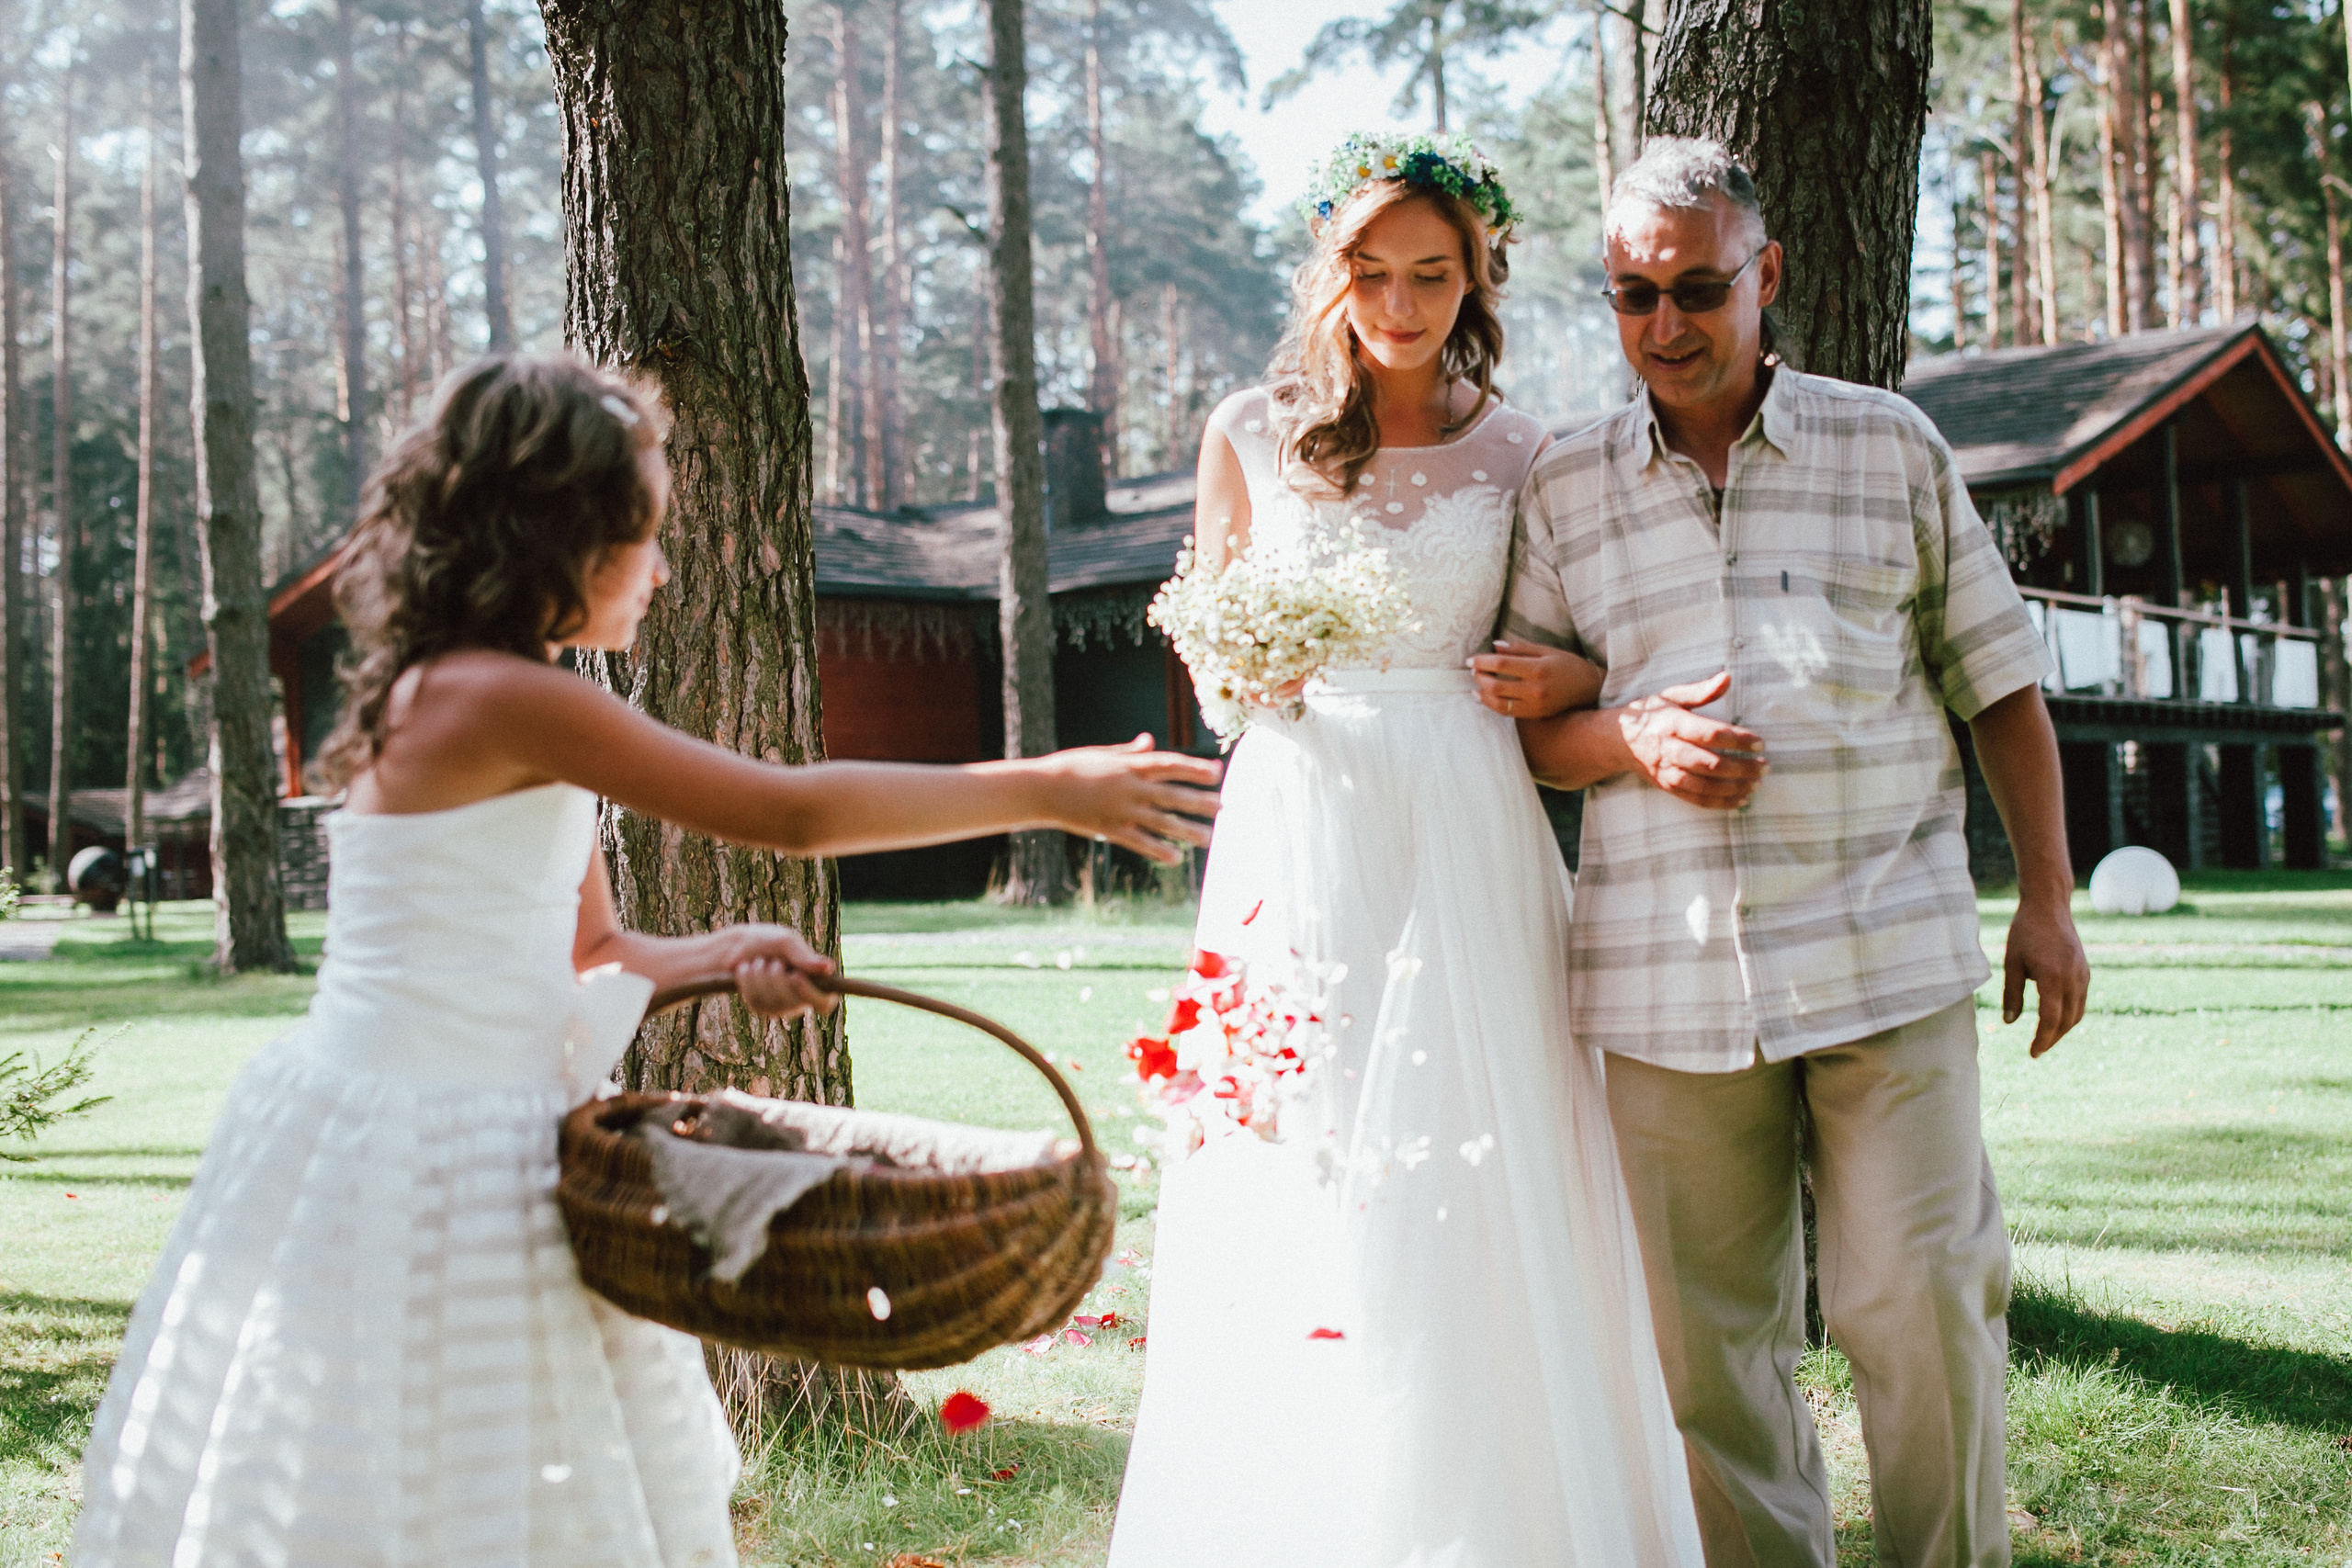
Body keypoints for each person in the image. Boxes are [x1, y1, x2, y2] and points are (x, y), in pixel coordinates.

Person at [71, 355, 1222, 1568]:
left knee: (487, 1482)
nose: (663, 568)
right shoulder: (498, 697)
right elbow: (792, 814)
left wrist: (720, 951)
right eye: (643, 536)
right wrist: (1047, 786)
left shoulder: (500, 694)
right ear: (555, 536)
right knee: (422, 1474)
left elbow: (592, 952)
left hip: (466, 1123)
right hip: (429, 1146)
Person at [1108, 133, 1703, 1568]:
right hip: (1300, 816)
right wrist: (1249, 660)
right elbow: (1220, 668)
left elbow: (1565, 644)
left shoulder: (1526, 448)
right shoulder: (1250, 429)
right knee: (1301, 1143)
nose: (1400, 300)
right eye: (1372, 273)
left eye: (1431, 273)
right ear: (1333, 273)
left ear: (1475, 273)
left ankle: (1497, 1510)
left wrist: (1563, 688)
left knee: (1478, 1144)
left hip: (1463, 810)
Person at [1504, 139, 2090, 1567]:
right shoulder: (1565, 485)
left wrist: (2051, 909)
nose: (1665, 326)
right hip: (1661, 991)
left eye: (1697, 289)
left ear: (1765, 275)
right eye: (1631, 297)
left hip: (1887, 955)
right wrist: (1633, 738)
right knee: (1706, 1361)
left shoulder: (1890, 441)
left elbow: (2000, 684)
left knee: (1926, 1307)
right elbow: (1526, 732)